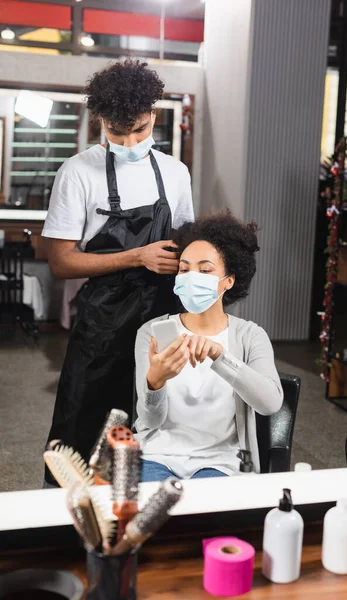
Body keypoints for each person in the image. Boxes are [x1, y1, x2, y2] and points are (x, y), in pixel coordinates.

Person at [42, 59, 194, 485]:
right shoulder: (77, 173)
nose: (129, 141)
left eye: (140, 130)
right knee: (81, 428)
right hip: (104, 322)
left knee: (154, 425)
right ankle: (61, 524)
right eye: (117, 131)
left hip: (163, 320)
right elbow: (61, 262)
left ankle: (137, 520)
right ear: (100, 121)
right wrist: (136, 256)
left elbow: (187, 244)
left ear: (154, 115)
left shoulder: (175, 174)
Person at [134, 213, 283, 481]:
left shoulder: (250, 336)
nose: (191, 277)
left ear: (229, 281)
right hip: (157, 456)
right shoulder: (152, 333)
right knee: (152, 515)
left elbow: (270, 403)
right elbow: (151, 421)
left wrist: (219, 356)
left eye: (204, 270)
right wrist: (155, 381)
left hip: (221, 461)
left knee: (202, 517)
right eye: (184, 268)